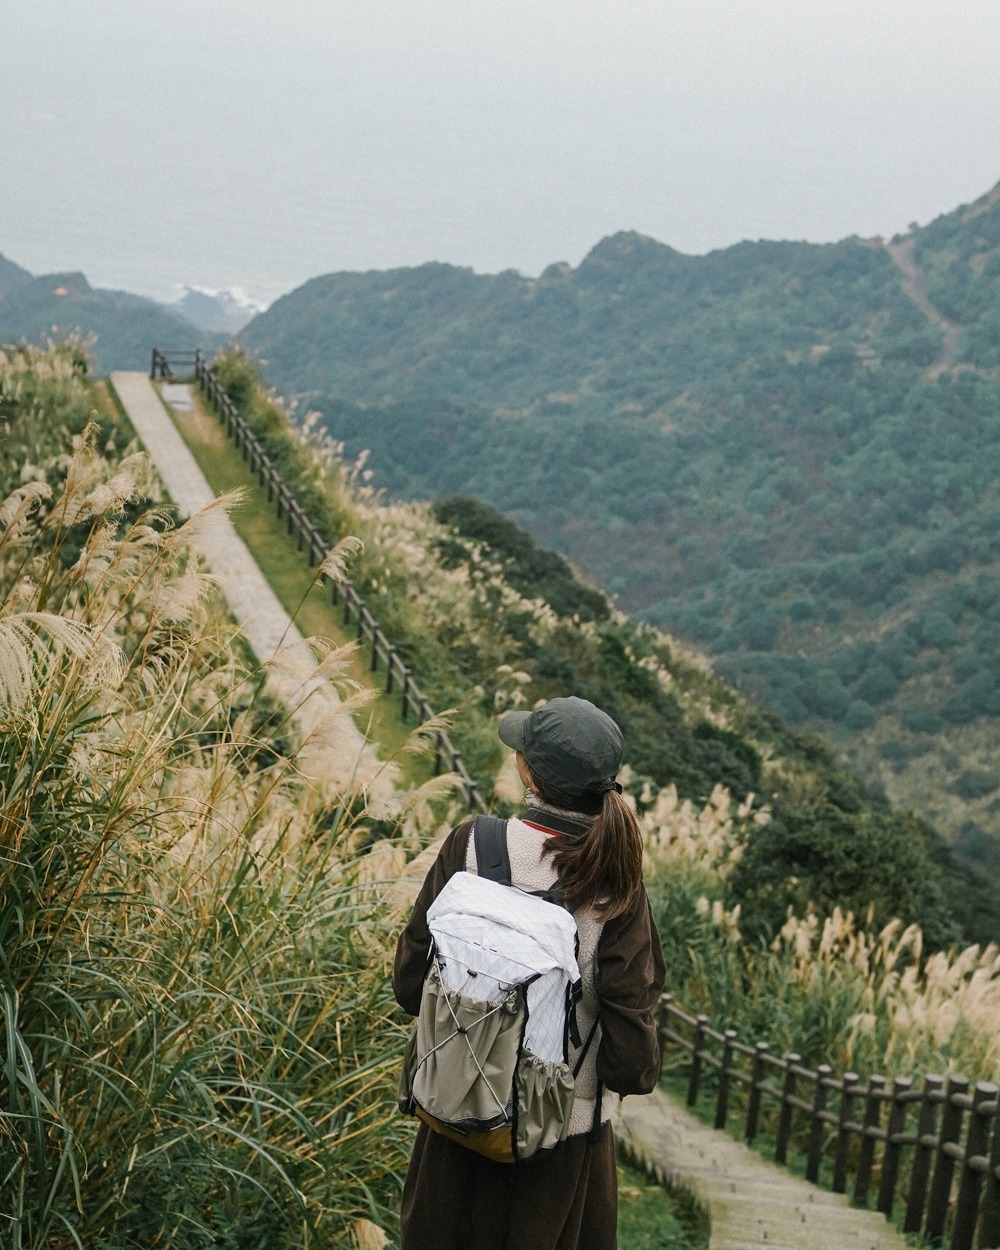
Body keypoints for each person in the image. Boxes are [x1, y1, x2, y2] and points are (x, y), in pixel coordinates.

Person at [393, 696, 666, 1250]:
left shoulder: (470, 843)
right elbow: (630, 1062)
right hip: (559, 1154)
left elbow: (408, 984)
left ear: (527, 771)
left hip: (453, 1124)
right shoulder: (618, 887)